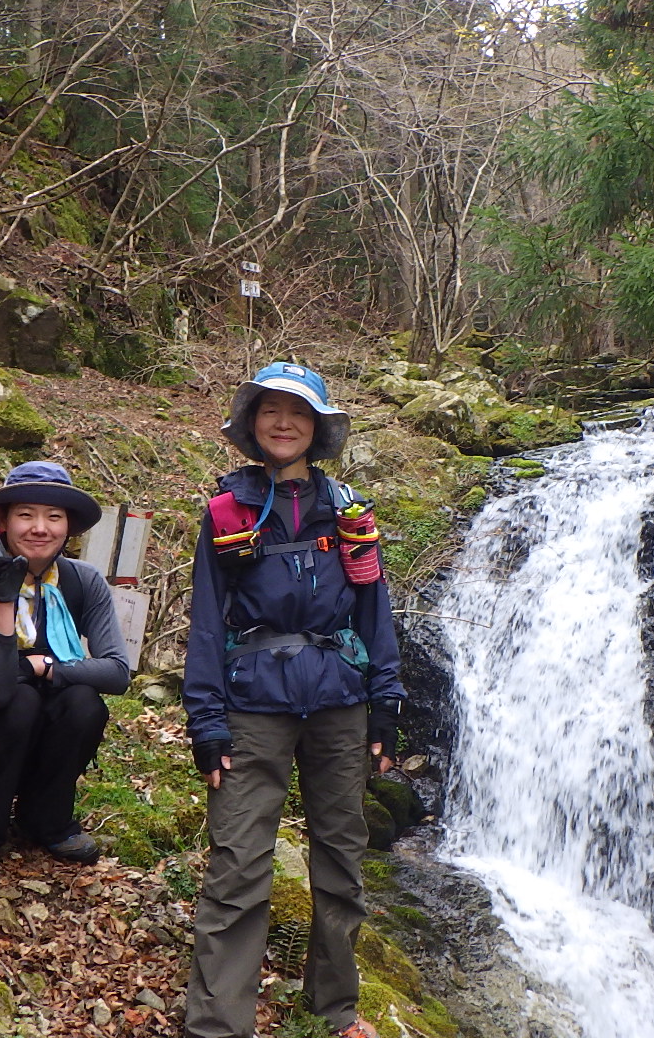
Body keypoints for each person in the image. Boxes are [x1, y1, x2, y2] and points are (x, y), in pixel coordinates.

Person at [183, 362, 404, 1038]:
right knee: (238, 865)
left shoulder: (350, 511)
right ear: (252, 424)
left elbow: (374, 609)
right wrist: (206, 720)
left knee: (342, 861)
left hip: (340, 701)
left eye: (299, 412)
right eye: (271, 410)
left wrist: (387, 700)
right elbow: (206, 622)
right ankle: (219, 1024)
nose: (284, 423)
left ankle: (334, 1010)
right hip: (252, 706)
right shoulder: (228, 512)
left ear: (318, 427)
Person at [0, 461, 130, 880]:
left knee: (83, 702)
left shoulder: (83, 581)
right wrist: (4, 600)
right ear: (3, 522)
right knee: (17, 700)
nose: (40, 528)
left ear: (68, 526)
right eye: (26, 514)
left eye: (54, 517)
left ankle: (47, 819)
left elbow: (117, 673)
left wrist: (46, 668)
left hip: (42, 743)